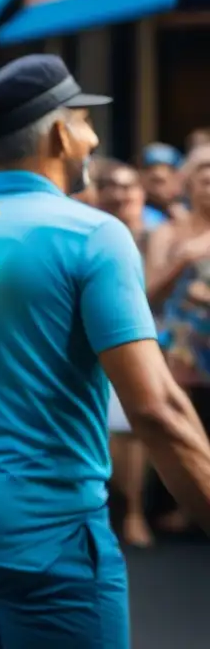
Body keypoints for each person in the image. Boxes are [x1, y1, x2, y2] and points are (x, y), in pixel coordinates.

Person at [0, 54, 210, 649]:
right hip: (46, 532)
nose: (92, 138)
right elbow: (156, 409)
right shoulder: (92, 234)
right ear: (61, 134)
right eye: (86, 123)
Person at [145, 144, 210, 534]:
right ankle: (187, 506)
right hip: (182, 348)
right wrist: (184, 260)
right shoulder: (167, 231)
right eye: (203, 179)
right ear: (187, 184)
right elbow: (149, 292)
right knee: (186, 427)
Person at [94, 159, 154, 547]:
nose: (121, 194)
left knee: (138, 426)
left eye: (128, 187)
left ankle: (134, 512)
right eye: (111, 186)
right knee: (115, 428)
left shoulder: (156, 232)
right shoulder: (94, 233)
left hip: (153, 339)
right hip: (106, 340)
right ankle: (116, 510)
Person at [138, 141, 184, 230]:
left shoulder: (190, 209)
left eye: (162, 181)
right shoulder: (133, 210)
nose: (158, 189)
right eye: (154, 181)